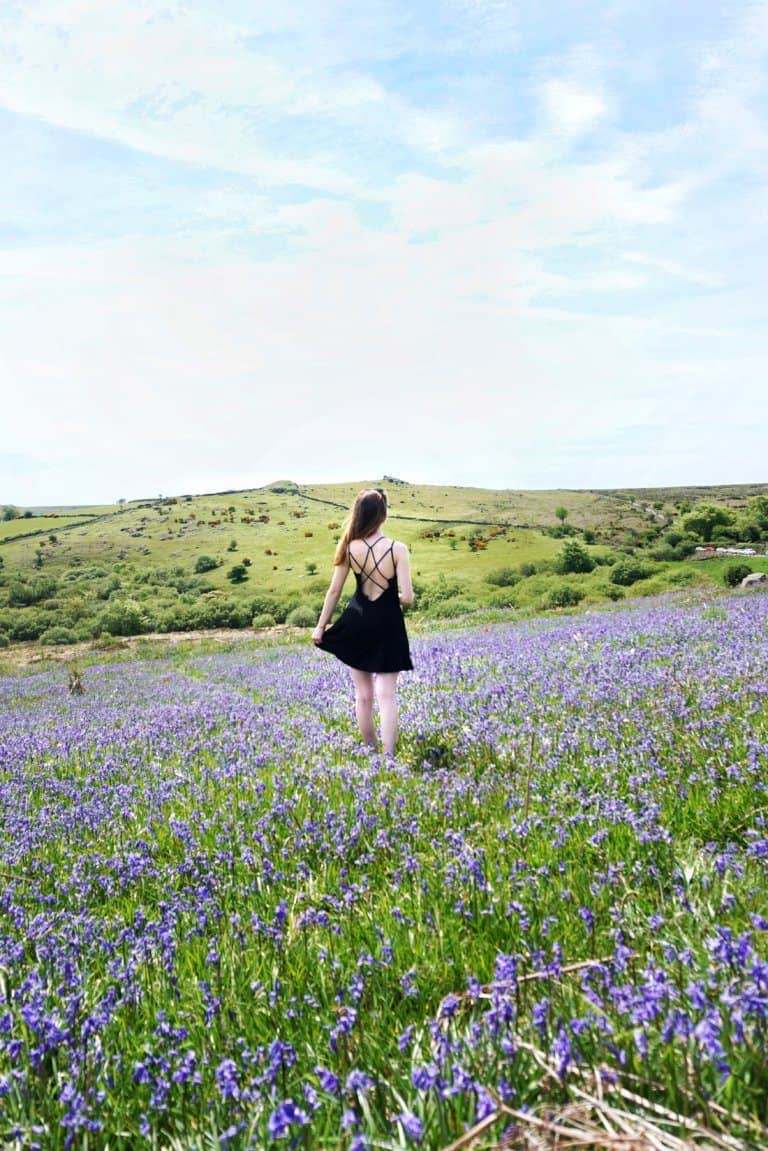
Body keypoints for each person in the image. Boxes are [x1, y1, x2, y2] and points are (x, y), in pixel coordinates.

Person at [312, 487, 414, 755]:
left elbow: (334, 591)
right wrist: (394, 595)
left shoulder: (349, 547)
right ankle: (388, 757)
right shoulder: (398, 549)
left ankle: (370, 750)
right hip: (388, 623)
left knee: (364, 695)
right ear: (383, 515)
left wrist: (321, 626)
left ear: (359, 514)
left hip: (357, 622)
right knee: (387, 696)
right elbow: (407, 598)